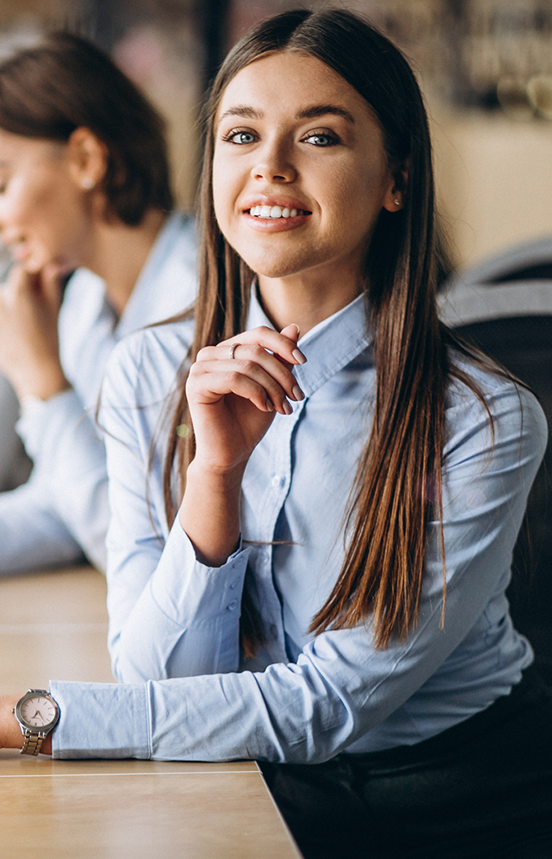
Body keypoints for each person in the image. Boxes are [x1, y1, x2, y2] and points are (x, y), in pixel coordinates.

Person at [2, 10, 552, 858]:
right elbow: (160, 683)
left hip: (455, 800)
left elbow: (326, 704)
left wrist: (38, 719)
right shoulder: (150, 373)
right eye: (241, 134)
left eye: (321, 136)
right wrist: (215, 475)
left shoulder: (482, 416)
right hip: (253, 772)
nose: (270, 167)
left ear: (397, 177)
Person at [0, 32, 197, 574]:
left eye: (1, 183)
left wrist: (44, 386)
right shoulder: (85, 301)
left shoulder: (207, 299)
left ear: (87, 158)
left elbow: (148, 554)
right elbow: (63, 503)